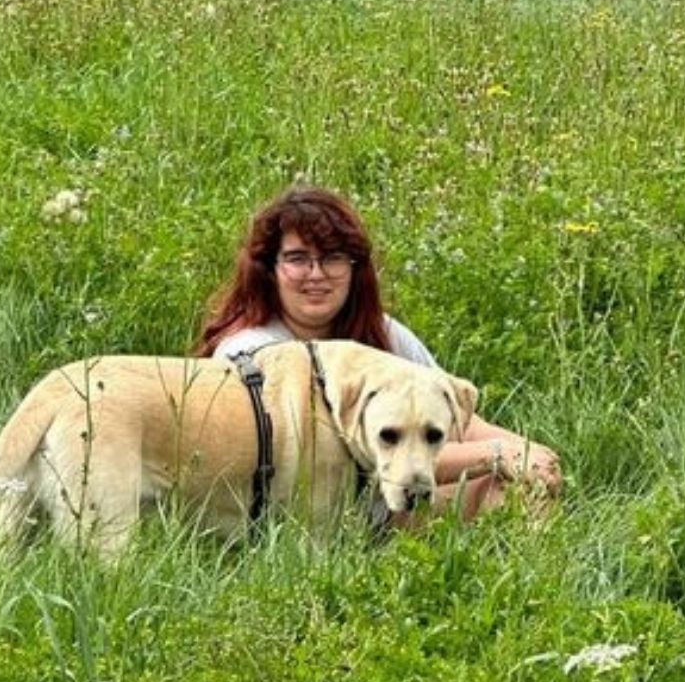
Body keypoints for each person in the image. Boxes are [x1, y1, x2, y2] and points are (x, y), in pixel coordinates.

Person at [194, 185, 561, 519]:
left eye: (333, 258)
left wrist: (527, 452)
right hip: (300, 521)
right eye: (297, 258)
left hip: (394, 509)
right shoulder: (249, 352)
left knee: (516, 485)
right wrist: (493, 454)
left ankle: (525, 569)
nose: (316, 273)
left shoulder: (384, 334)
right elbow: (341, 462)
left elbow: (458, 424)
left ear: (354, 268)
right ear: (269, 270)